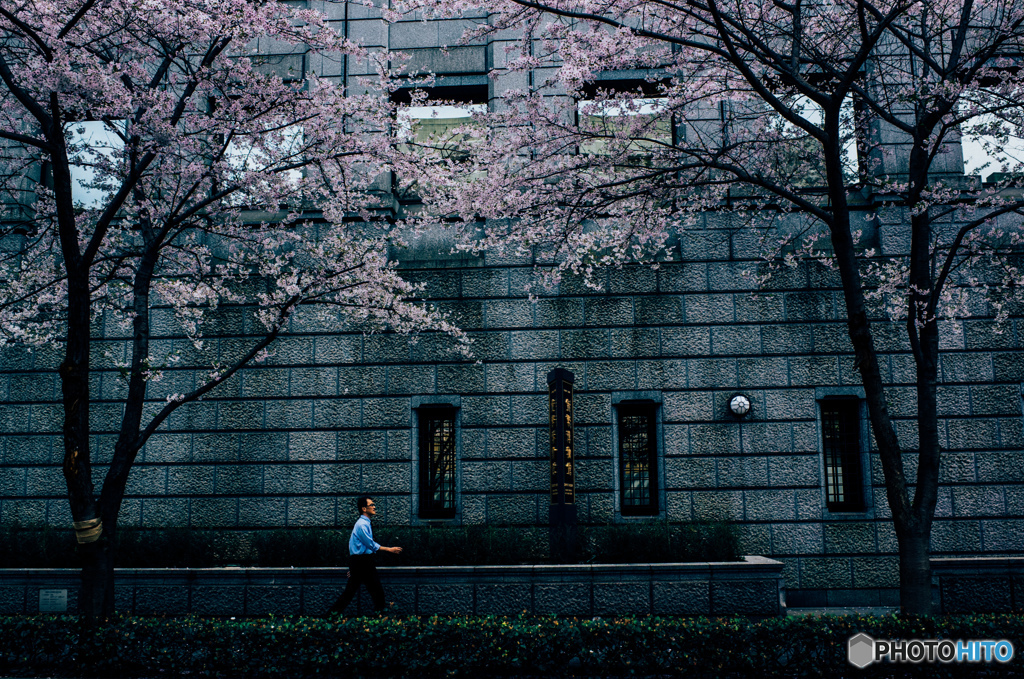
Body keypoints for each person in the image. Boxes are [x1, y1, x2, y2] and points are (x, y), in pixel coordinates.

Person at [328, 496, 402, 615]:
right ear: (364, 508)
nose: (374, 507)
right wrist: (389, 549)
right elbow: (370, 544)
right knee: (375, 592)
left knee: (354, 593)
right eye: (371, 505)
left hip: (361, 562)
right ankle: (379, 620)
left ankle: (329, 617)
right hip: (363, 562)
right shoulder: (362, 525)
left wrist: (354, 568)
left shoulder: (364, 523)